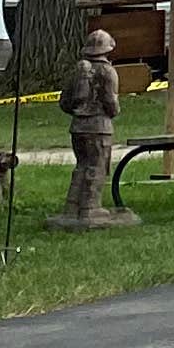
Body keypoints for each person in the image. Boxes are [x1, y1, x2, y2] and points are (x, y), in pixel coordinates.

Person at [49, 28, 135, 228]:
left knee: (81, 165)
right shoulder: (107, 71)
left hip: (78, 126)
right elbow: (111, 104)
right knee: (97, 166)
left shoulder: (79, 70)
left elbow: (64, 102)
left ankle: (72, 206)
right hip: (99, 127)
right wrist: (113, 110)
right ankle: (90, 207)